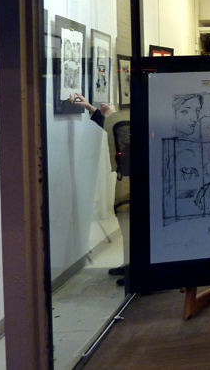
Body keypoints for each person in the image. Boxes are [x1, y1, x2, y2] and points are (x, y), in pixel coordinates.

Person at [70, 93, 130, 286]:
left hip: (137, 179)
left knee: (133, 226)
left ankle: (137, 269)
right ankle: (130, 264)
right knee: (126, 223)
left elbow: (122, 132)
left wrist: (111, 114)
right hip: (127, 178)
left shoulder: (139, 117)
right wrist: (91, 108)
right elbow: (113, 129)